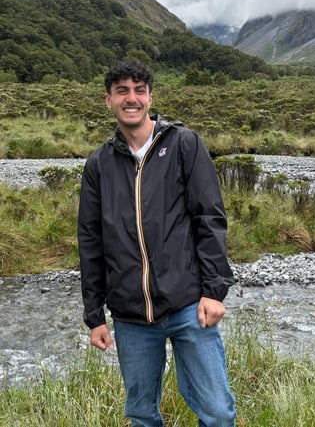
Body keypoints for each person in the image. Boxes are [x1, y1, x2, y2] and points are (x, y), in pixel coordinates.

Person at [78, 59, 236, 427]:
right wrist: (94, 315)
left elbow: (209, 218)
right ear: (108, 100)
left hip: (188, 306)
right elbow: (90, 241)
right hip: (130, 317)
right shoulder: (98, 165)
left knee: (216, 412)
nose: (131, 99)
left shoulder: (183, 144)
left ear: (150, 97)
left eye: (139, 90)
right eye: (122, 91)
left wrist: (214, 290)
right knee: (141, 414)